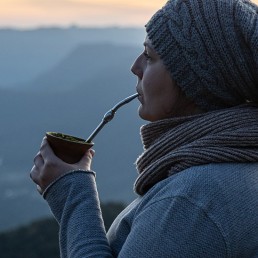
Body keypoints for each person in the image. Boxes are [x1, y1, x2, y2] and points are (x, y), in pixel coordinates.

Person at [30, 0, 258, 257]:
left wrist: (72, 193)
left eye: (149, 56)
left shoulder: (193, 199)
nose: (135, 67)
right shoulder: (235, 170)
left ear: (198, 80)